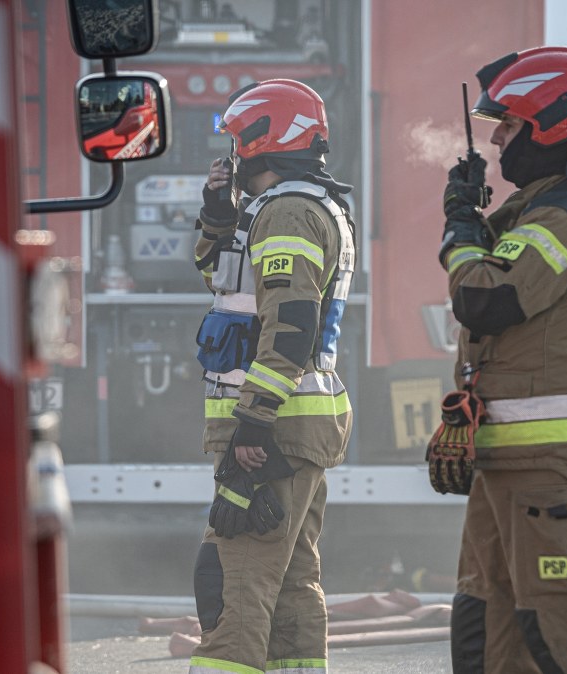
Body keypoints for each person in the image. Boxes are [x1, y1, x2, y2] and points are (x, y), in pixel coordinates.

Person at [435, 46, 567, 672]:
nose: (499, 140)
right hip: (513, 458)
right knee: (489, 629)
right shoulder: (542, 205)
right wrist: (468, 217)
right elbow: (494, 268)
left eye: (509, 124)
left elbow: (487, 297)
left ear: (552, 123)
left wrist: (459, 233)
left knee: (564, 627)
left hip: (555, 465)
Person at [188, 78, 356, 674]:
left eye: (237, 142)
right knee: (288, 585)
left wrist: (254, 421)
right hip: (296, 422)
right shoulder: (280, 208)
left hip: (273, 429)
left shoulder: (287, 211)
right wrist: (216, 215)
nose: (232, 156)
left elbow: (289, 328)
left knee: (233, 586)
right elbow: (221, 277)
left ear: (263, 140)